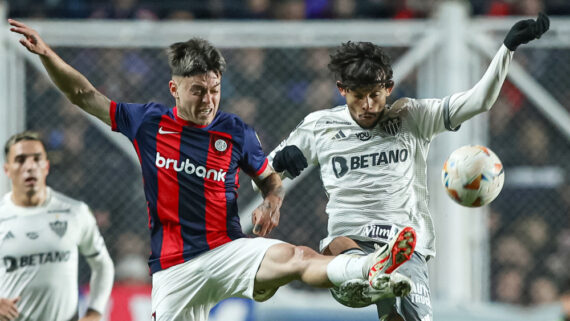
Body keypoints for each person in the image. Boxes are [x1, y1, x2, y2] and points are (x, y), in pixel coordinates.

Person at [7, 19, 417, 321]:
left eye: (215, 89)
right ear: (175, 88)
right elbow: (84, 95)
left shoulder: (235, 131)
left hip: (227, 252)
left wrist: (272, 200)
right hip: (174, 271)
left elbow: (269, 178)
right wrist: (48, 55)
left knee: (296, 256)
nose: (208, 100)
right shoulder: (148, 122)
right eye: (198, 91)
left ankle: (370, 267)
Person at [262, 13, 550, 321]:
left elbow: (478, 101)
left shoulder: (411, 116)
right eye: (358, 97)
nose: (368, 105)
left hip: (404, 243)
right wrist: (274, 172)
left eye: (375, 95)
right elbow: (263, 175)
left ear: (389, 86)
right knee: (340, 250)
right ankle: (368, 273)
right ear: (341, 89)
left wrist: (506, 49)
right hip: (349, 241)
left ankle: (378, 277)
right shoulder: (320, 126)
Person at [0, 131, 114, 321]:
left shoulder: (75, 212)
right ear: (7, 169)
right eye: (20, 160)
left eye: (37, 159)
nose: (30, 167)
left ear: (46, 166)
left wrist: (94, 312)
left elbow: (103, 265)